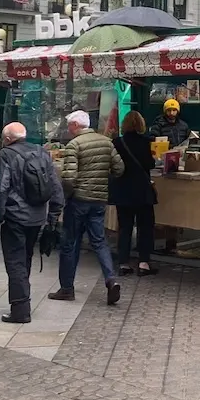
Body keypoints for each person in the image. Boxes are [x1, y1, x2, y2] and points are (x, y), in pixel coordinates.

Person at [49, 110, 125, 305]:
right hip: (99, 200)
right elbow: (119, 168)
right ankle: (110, 279)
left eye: (69, 125)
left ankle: (67, 288)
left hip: (78, 200)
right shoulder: (106, 141)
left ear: (75, 125)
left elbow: (69, 177)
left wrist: (66, 196)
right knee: (99, 241)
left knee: (69, 243)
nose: (68, 129)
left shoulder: (74, 145)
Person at [0, 121, 64, 324]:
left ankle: (20, 309)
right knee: (25, 259)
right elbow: (55, 186)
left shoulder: (6, 154)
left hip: (15, 216)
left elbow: (2, 187)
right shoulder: (41, 152)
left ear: (7, 139)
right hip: (37, 217)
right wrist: (53, 217)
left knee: (15, 262)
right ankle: (23, 300)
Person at [112, 111, 158, 277]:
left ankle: (123, 262)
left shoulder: (117, 142)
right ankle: (144, 262)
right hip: (142, 190)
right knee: (145, 227)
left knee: (125, 228)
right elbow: (150, 164)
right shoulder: (147, 142)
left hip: (123, 190)